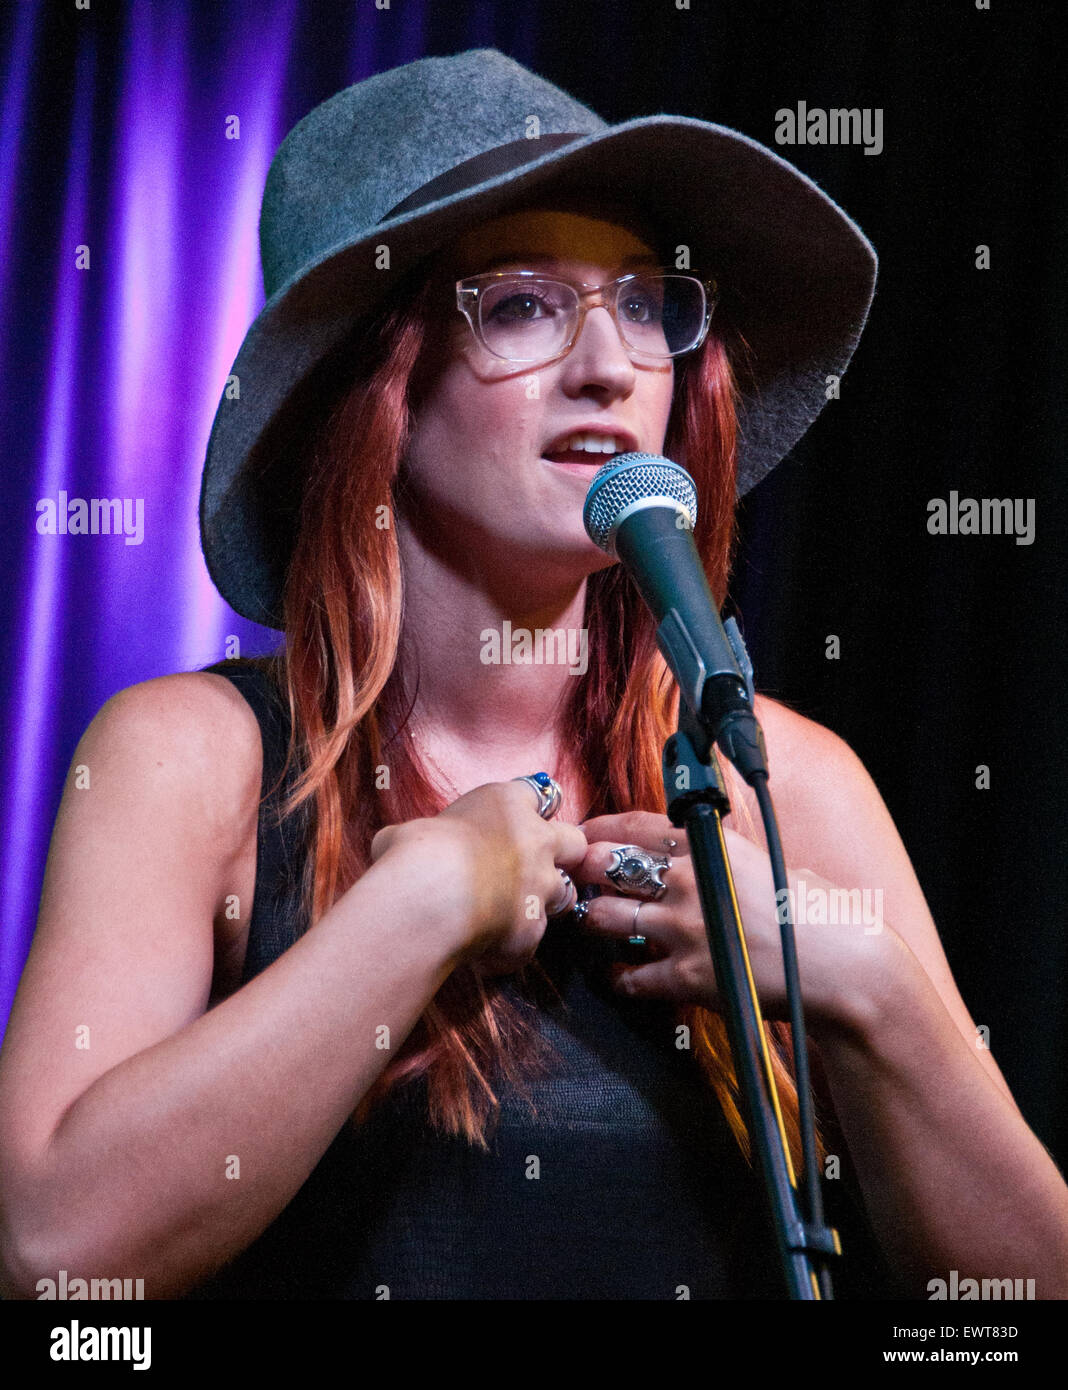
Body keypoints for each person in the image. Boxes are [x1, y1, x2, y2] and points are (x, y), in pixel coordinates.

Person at [2, 49, 1067, 1303]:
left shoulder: (789, 779)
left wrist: (872, 989)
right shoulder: (190, 757)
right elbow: (51, 1258)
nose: (610, 365)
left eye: (640, 301)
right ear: (377, 389)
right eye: (519, 305)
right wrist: (420, 909)